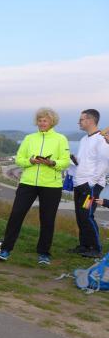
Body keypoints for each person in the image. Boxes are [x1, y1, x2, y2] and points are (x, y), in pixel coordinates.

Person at [0, 107, 70, 265]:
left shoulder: (60, 139)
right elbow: (19, 159)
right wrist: (30, 161)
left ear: (52, 122)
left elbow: (65, 162)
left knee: (47, 219)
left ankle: (44, 253)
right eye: (40, 120)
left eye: (45, 120)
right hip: (28, 183)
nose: (42, 123)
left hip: (51, 185)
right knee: (16, 215)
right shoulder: (29, 138)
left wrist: (52, 162)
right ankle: (5, 249)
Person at [71, 109, 109, 258]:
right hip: (80, 184)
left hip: (91, 186)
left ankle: (96, 248)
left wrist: (91, 183)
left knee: (87, 215)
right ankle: (84, 246)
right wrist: (74, 161)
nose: (78, 122)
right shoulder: (83, 139)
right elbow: (84, 162)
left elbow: (104, 163)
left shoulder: (101, 140)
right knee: (80, 216)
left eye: (81, 119)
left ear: (90, 121)